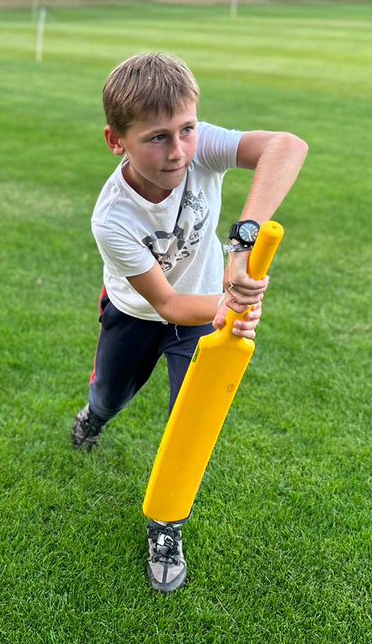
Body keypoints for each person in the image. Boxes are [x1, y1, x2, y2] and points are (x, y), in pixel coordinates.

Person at [71, 53, 308, 593]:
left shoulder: (200, 146)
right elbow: (169, 305)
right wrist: (228, 305)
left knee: (190, 416)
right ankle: (94, 417)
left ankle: (166, 525)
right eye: (157, 138)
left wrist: (243, 241)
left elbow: (288, 146)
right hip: (137, 314)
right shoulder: (113, 218)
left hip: (197, 317)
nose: (178, 152)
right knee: (111, 397)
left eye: (187, 129)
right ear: (116, 141)